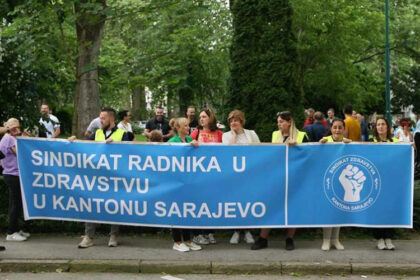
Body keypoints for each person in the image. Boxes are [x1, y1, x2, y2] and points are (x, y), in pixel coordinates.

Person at [68, 107, 130, 248]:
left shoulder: (122, 134)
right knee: (91, 204)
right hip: (96, 178)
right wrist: (74, 141)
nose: (100, 121)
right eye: (100, 118)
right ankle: (89, 236)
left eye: (103, 118)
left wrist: (117, 145)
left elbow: (129, 154)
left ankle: (113, 235)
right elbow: (85, 147)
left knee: (115, 205)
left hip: (115, 177)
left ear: (111, 119)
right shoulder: (97, 133)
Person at [252, 111, 309, 251]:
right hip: (277, 177)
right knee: (270, 206)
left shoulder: (302, 136)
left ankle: (289, 238)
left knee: (292, 207)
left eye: (282, 121)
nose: (279, 124)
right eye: (278, 121)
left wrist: (298, 147)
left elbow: (308, 155)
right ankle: (263, 238)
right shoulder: (274, 135)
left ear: (289, 122)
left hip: (295, 177)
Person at [222, 110, 260, 245]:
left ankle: (248, 231)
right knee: (235, 203)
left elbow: (259, 152)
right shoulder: (226, 136)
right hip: (233, 176)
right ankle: (236, 231)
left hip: (249, 175)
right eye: (231, 121)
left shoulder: (251, 134)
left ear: (242, 121)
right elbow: (227, 153)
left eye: (236, 120)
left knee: (248, 202)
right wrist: (233, 136)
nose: (233, 123)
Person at [167, 117, 201, 252]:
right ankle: (177, 241)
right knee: (176, 211)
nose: (188, 128)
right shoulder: (172, 141)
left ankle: (187, 239)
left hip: (188, 182)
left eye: (188, 126)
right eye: (185, 126)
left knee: (187, 211)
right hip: (175, 182)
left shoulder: (189, 140)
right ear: (178, 128)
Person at [190, 109, 223, 245]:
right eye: (200, 117)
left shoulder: (219, 134)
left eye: (204, 116)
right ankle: (197, 234)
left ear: (211, 118)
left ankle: (210, 232)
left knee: (212, 204)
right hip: (198, 174)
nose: (201, 119)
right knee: (198, 203)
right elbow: (185, 146)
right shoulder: (196, 133)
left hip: (214, 175)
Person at [319, 118, 351, 251]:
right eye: (335, 127)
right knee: (327, 211)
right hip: (327, 181)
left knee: (339, 210)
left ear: (344, 129)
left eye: (340, 127)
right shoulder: (325, 141)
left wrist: (352, 144)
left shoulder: (348, 143)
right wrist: (319, 144)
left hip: (341, 183)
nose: (337, 130)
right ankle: (326, 240)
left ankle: (335, 239)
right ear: (331, 129)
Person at [370, 117, 399, 250]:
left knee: (389, 209)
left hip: (391, 182)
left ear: (388, 127)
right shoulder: (370, 142)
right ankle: (379, 238)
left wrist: (410, 147)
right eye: (378, 125)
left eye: (383, 124)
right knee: (378, 210)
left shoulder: (396, 142)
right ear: (375, 128)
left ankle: (388, 237)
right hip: (376, 182)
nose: (380, 127)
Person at [0, 118, 31, 242]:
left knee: (17, 204)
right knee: (15, 204)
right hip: (12, 175)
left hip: (12, 174)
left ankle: (16, 230)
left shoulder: (10, 138)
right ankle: (11, 232)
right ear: (9, 127)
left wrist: (22, 137)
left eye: (18, 127)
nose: (17, 130)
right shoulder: (9, 138)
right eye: (15, 128)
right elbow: (21, 153)